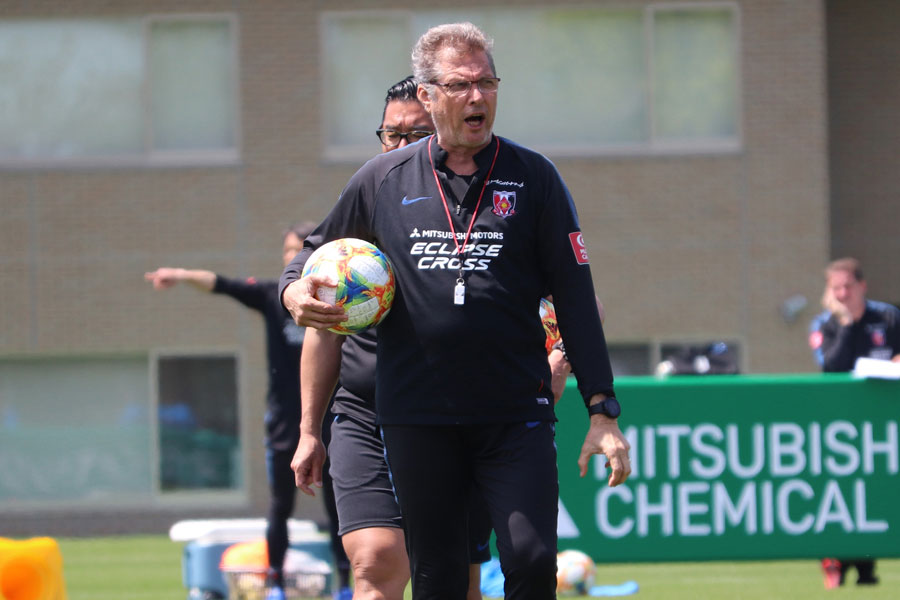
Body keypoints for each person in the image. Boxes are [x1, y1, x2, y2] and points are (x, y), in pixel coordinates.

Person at [281, 23, 630, 599]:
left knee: (532, 560)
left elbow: (575, 297)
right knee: (439, 577)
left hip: (514, 412)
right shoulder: (382, 179)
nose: (477, 97)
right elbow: (312, 255)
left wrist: (603, 410)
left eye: (487, 83)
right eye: (461, 85)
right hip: (418, 417)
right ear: (427, 95)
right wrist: (293, 291)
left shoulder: (535, 178)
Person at [285, 76, 498, 600]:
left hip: (456, 419)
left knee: (456, 580)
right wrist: (310, 430)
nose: (399, 147)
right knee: (376, 560)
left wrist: (557, 356)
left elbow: (564, 298)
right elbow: (325, 324)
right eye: (390, 134)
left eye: (415, 135)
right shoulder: (367, 203)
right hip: (366, 414)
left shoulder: (485, 212)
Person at [143, 223, 352, 600]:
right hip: (285, 424)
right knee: (280, 506)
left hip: (332, 419)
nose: (291, 257)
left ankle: (345, 586)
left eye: (299, 249)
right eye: (287, 250)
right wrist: (181, 275)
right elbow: (222, 284)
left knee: (338, 507)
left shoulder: (343, 300)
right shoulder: (274, 296)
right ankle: (276, 586)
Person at [810, 257, 899, 589]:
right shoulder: (825, 324)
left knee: (873, 489)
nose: (843, 294)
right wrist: (847, 323)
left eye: (848, 286)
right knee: (839, 489)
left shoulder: (888, 317)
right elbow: (831, 367)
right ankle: (833, 559)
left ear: (862, 286)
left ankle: (866, 565)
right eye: (836, 288)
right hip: (840, 424)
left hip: (881, 420)